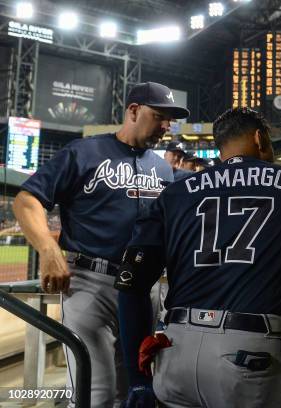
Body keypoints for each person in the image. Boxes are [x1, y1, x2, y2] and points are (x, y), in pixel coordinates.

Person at [116, 107, 281, 407]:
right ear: (259, 137)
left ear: (219, 146)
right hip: (246, 350)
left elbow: (130, 284)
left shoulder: (176, 192)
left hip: (176, 348)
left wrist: (138, 380)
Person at [13, 81, 188, 407]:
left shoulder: (163, 168)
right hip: (91, 283)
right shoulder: (84, 152)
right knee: (98, 392)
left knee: (138, 390)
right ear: (133, 111)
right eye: (160, 116)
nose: (166, 126)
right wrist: (49, 250)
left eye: (169, 120)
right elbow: (26, 200)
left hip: (146, 288)